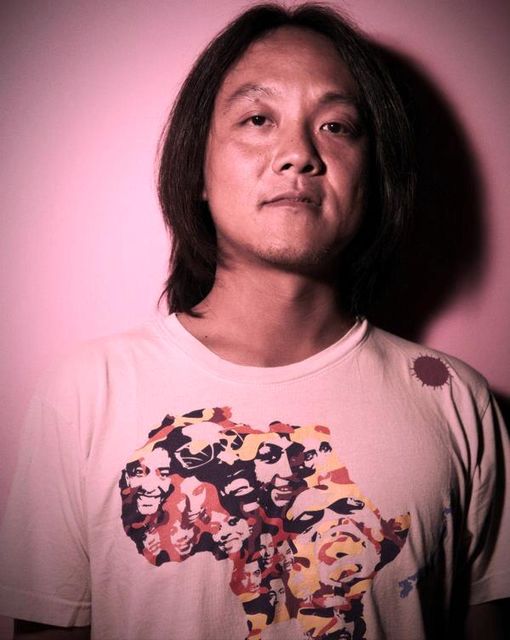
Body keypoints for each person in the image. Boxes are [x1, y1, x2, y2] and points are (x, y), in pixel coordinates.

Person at [0, 3, 509, 639]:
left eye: (337, 126)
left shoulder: (455, 401)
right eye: (258, 119)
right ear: (198, 169)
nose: (297, 154)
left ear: (375, 175)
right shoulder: (87, 393)